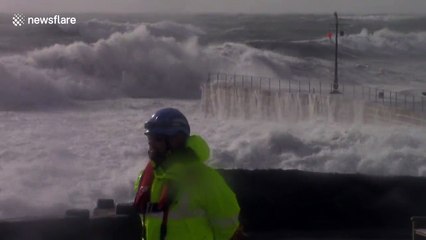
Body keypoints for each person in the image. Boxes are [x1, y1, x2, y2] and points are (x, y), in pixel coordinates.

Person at [133, 108, 242, 240]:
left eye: (158, 139)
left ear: (177, 140)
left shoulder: (206, 179)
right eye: (150, 138)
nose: (151, 144)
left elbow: (228, 229)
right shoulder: (146, 178)